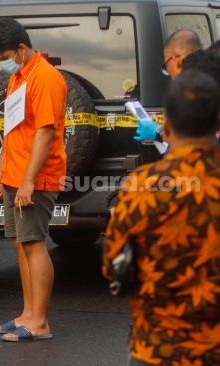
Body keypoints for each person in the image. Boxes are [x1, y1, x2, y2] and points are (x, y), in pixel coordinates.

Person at [103, 70, 220, 365]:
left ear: (165, 128)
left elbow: (115, 267)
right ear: (217, 125)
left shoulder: (142, 185)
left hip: (156, 346)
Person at [0, 18, 67, 342]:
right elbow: (13, 129)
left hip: (37, 177)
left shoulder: (46, 77)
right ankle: (27, 314)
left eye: (4, 57)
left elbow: (45, 133)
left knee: (34, 244)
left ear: (20, 48)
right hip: (15, 173)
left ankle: (40, 322)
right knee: (20, 244)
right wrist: (2, 173)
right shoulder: (18, 77)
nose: (2, 64)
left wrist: (29, 180)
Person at [134, 30, 202, 143]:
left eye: (166, 66)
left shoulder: (193, 92)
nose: (169, 73)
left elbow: (191, 138)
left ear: (177, 60)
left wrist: (158, 132)